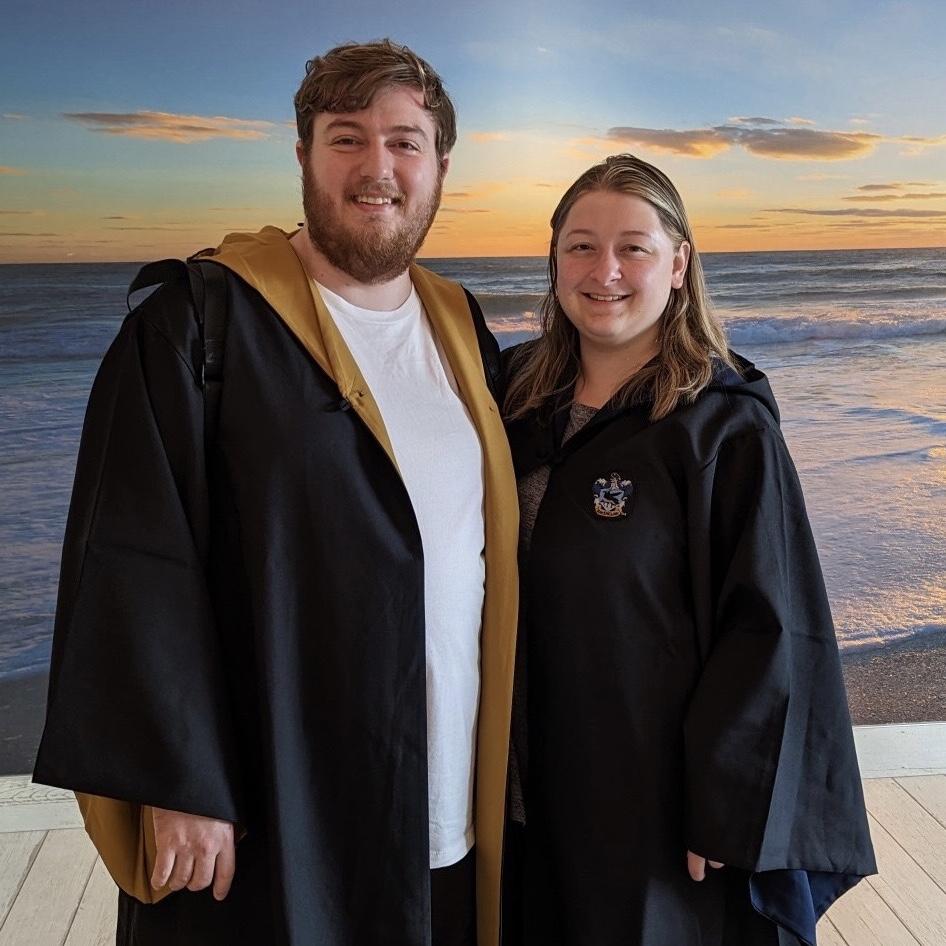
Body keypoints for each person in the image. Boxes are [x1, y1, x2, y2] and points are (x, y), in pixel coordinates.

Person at [32, 39, 519, 946]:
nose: (377, 168)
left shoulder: (461, 327)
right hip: (273, 803)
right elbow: (132, 558)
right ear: (303, 156)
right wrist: (179, 782)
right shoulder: (197, 322)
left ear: (441, 165)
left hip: (444, 802)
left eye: (405, 142)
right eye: (347, 138)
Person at [501, 154, 876, 946]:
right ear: (555, 260)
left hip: (652, 795)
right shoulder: (513, 398)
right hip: (517, 783)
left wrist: (726, 801)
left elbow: (769, 623)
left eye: (633, 248)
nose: (604, 270)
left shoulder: (721, 425)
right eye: (580, 246)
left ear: (678, 265)